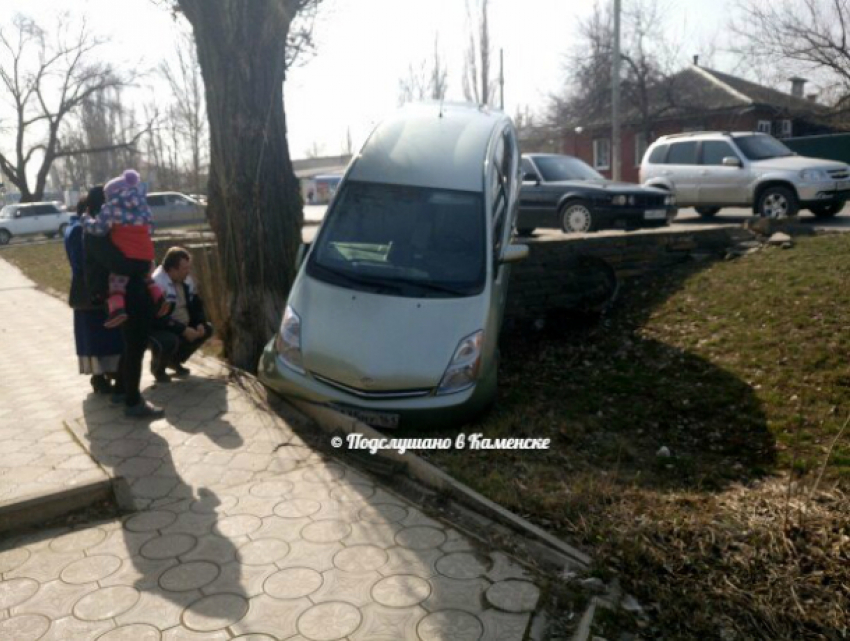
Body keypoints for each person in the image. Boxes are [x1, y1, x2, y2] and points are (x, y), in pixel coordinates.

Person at [82, 185, 164, 419]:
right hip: (128, 294)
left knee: (131, 345)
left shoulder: (109, 228)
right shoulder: (98, 234)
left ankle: (121, 390)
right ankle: (133, 402)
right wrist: (143, 265)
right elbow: (119, 263)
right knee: (135, 347)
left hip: (129, 291)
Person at [83, 169, 168, 328]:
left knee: (116, 281)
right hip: (146, 254)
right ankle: (160, 299)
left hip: (127, 255)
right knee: (147, 277)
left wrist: (85, 219)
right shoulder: (144, 207)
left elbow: (99, 229)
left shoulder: (110, 208)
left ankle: (117, 310)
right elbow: (150, 229)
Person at [64, 196, 125, 394]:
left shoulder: (74, 228)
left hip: (87, 291)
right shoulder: (78, 231)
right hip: (89, 292)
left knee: (96, 335)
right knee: (97, 336)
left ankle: (105, 375)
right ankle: (102, 376)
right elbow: (85, 262)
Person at [149, 247, 214, 383]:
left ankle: (174, 361)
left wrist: (199, 323)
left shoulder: (186, 280)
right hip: (159, 327)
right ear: (172, 270)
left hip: (181, 324)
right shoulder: (157, 284)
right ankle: (158, 368)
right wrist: (183, 330)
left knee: (207, 329)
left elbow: (196, 304)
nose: (188, 271)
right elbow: (158, 318)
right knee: (170, 341)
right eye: (184, 268)